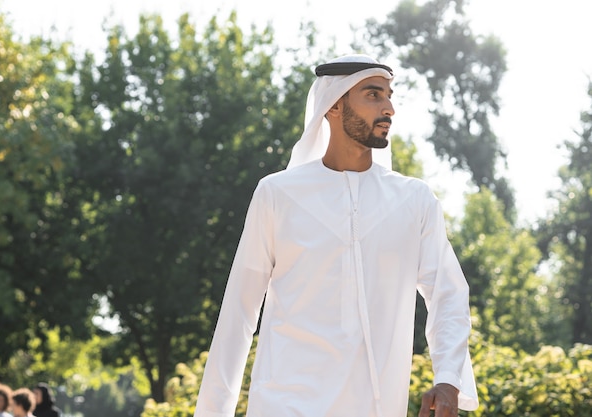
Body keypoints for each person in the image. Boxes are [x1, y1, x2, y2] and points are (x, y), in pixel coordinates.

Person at [193, 54, 479, 417]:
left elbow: (449, 294)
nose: (389, 107)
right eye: (373, 95)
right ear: (333, 106)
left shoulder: (414, 200)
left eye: (390, 96)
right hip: (284, 406)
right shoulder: (278, 195)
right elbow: (239, 312)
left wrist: (449, 378)